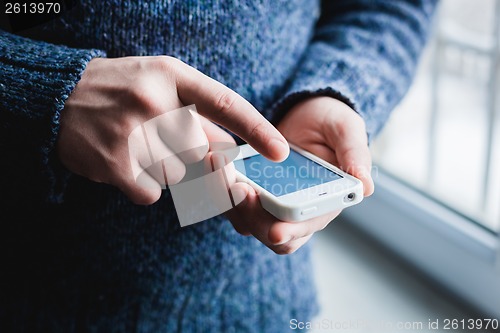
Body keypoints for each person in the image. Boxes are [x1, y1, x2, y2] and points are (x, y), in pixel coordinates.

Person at [0, 1, 438, 332]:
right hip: (29, 293)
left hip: (258, 301)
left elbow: (389, 8)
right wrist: (43, 88)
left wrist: (337, 87)